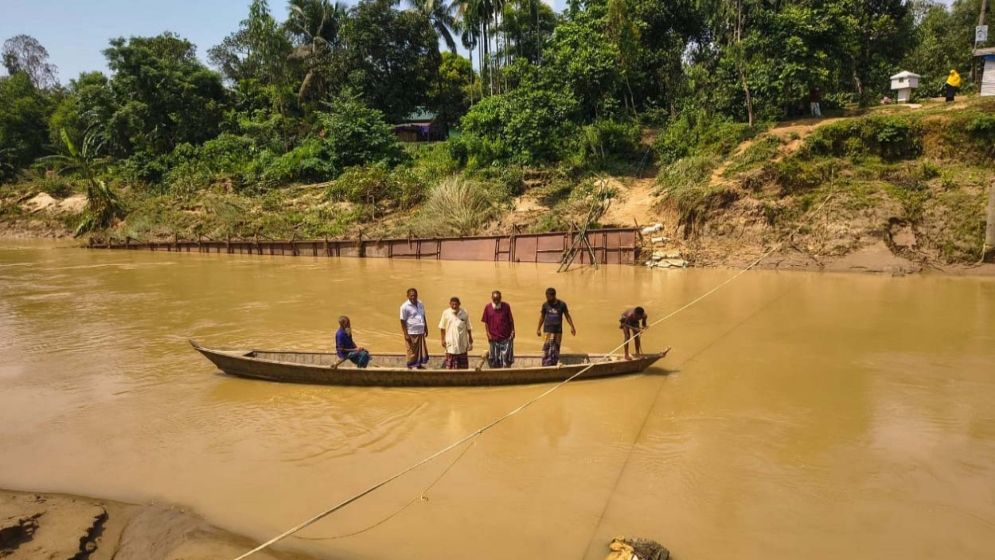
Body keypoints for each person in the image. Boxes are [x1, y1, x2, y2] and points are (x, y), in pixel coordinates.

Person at [536, 287, 576, 366]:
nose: (547, 298)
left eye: (548, 297)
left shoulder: (562, 304)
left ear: (553, 296)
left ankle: (554, 364)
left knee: (556, 348)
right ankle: (545, 364)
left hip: (558, 330)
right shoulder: (545, 305)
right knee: (546, 348)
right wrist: (538, 328)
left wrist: (572, 327)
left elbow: (567, 316)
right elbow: (542, 317)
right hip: (547, 330)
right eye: (546, 297)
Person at [481, 290, 515, 368]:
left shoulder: (506, 306)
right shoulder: (488, 307)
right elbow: (486, 322)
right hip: (493, 337)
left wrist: (513, 331)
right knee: (494, 358)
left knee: (506, 358)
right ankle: (495, 369)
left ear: (500, 298)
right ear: (492, 298)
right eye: (494, 299)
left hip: (506, 337)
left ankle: (506, 371)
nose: (496, 301)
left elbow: (511, 320)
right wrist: (488, 334)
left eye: (498, 299)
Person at [439, 296, 473, 369]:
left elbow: (469, 327)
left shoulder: (464, 312)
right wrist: (442, 340)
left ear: (459, 304)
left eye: (456, 304)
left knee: (462, 358)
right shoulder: (446, 313)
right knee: (451, 358)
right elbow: (442, 327)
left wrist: (470, 339)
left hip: (462, 341)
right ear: (450, 304)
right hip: (450, 340)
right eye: (452, 304)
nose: (454, 306)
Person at [399, 288, 429, 369]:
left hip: (420, 331)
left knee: (420, 350)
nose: (413, 297)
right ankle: (410, 367)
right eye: (411, 295)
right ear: (407, 296)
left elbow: (423, 315)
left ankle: (418, 365)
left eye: (415, 295)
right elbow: (402, 321)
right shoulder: (404, 307)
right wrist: (405, 334)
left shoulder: (420, 303)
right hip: (411, 331)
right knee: (411, 351)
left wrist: (426, 327)